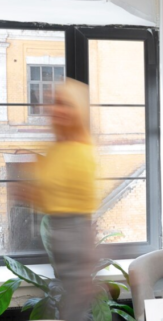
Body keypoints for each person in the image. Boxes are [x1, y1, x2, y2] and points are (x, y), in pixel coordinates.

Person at [17, 78, 99, 320]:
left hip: (73, 233)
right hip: (58, 231)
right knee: (69, 306)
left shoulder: (80, 150)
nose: (57, 109)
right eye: (54, 103)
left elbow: (83, 206)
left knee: (73, 310)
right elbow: (50, 197)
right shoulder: (57, 148)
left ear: (78, 111)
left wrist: (85, 256)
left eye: (65, 104)